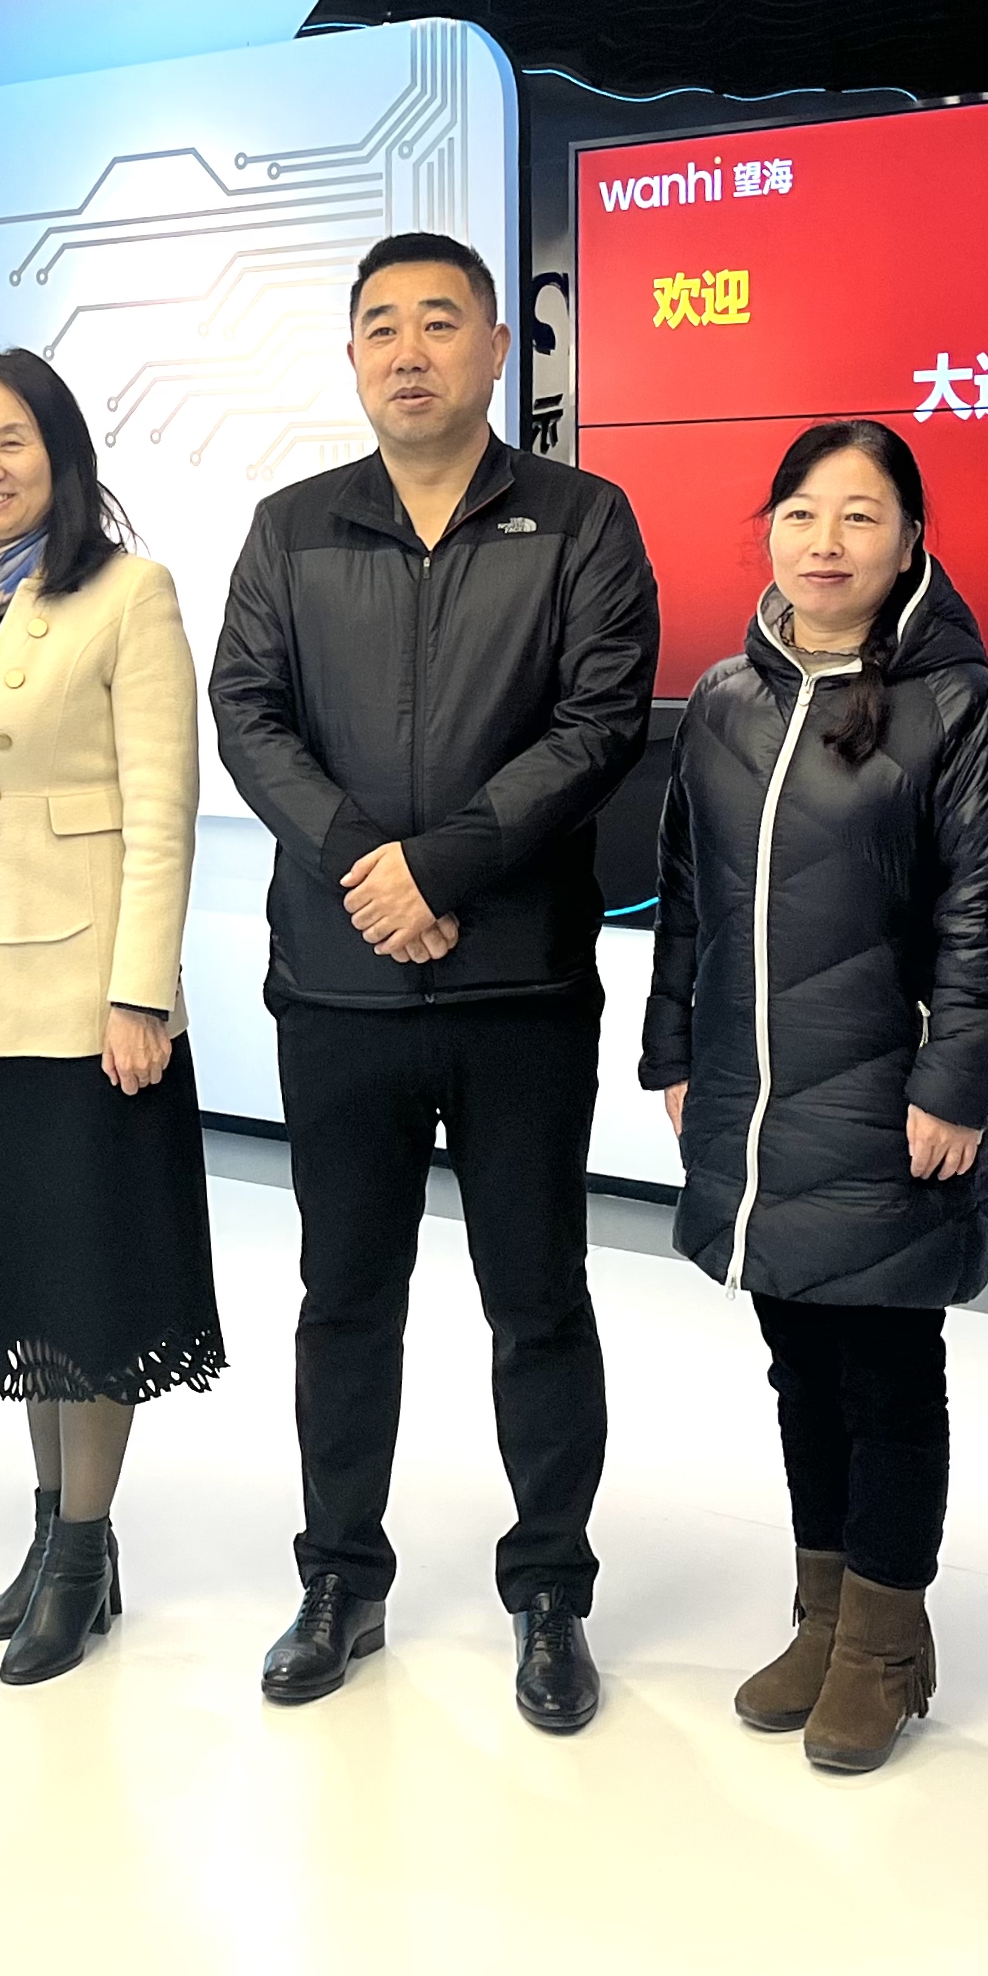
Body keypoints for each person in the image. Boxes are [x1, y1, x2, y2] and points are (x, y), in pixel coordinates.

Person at [210, 230, 658, 1735]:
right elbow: (248, 712)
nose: (409, 351)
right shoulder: (291, 527)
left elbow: (598, 722)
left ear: (495, 349)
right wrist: (366, 864)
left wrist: (442, 868)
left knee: (536, 1297)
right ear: (352, 354)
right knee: (345, 1296)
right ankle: (339, 1574)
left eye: (440, 322)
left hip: (516, 984)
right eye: (382, 326)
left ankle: (550, 1591)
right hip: (337, 984)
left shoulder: (581, 520)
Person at [643, 419, 988, 1772]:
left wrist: (957, 1082)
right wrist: (674, 1053)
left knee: (883, 1371)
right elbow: (684, 897)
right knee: (797, 1361)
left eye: (860, 516)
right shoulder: (721, 700)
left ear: (911, 541)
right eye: (801, 513)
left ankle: (882, 1645)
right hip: (754, 1095)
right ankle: (822, 1616)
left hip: (887, 1093)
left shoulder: (956, 706)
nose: (825, 542)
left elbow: (987, 917)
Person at [0, 351, 223, 1687]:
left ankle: (82, 1551)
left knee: (89, 1290)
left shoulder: (128, 593)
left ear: (60, 453)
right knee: (16, 1284)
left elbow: (161, 804)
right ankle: (51, 1538)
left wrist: (140, 992)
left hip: (86, 1003)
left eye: (10, 439)